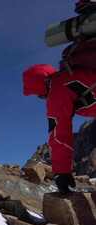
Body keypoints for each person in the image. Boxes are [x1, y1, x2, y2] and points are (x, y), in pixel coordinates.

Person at [23, 42, 96, 194]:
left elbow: (59, 134)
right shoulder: (73, 74)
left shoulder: (57, 89)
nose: (41, 98)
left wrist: (62, 172)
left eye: (38, 95)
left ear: (40, 87)